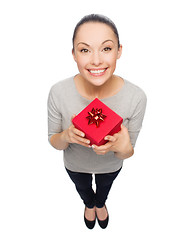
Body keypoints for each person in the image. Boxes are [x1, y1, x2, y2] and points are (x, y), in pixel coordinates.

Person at [47, 14, 147, 229]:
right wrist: (66, 136)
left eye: (106, 48)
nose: (96, 60)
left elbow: (129, 152)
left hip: (111, 165)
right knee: (83, 188)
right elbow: (53, 141)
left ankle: (100, 203)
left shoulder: (136, 97)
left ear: (119, 51)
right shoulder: (58, 92)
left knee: (105, 187)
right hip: (74, 165)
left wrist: (123, 146)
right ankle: (88, 204)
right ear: (73, 54)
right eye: (84, 50)